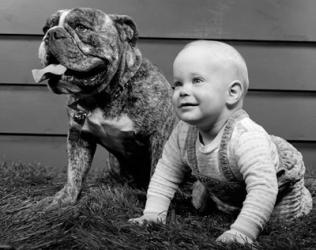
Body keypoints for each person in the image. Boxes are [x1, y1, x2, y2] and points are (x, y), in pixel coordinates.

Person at [128, 40, 313, 245]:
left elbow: (264, 188)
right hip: (229, 188)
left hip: (277, 187)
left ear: (232, 93)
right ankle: (223, 199)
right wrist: (153, 213)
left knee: (278, 222)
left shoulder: (246, 137)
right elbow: (165, 173)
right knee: (202, 204)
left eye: (197, 80)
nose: (182, 91)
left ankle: (300, 199)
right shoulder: (182, 131)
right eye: (177, 84)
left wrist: (242, 232)